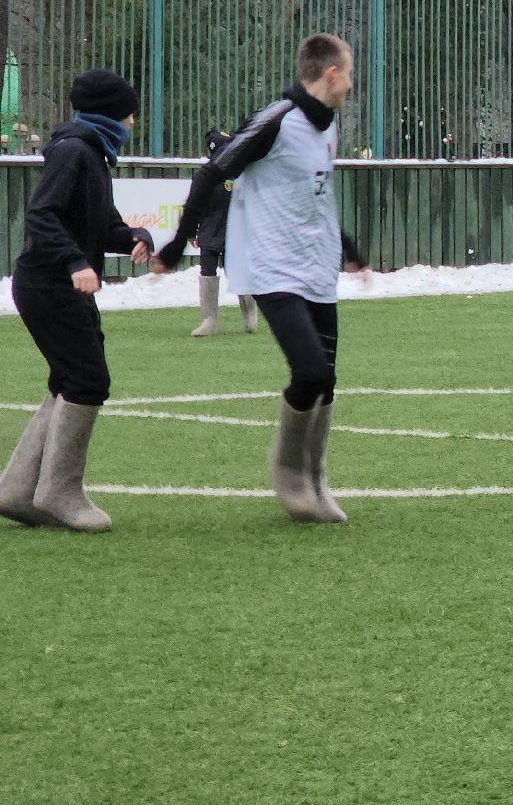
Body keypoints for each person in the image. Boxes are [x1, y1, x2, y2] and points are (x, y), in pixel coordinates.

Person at [156, 33, 366, 524]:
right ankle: (288, 471)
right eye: (349, 74)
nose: (352, 84)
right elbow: (212, 174)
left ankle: (317, 479)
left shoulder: (328, 127)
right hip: (271, 267)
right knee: (310, 372)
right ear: (331, 74)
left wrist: (349, 249)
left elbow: (319, 194)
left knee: (328, 380)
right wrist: (175, 244)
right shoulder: (276, 121)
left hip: (315, 263)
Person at [0, 70, 155, 533]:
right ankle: (59, 492)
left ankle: (16, 491)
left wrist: (132, 236)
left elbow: (101, 223)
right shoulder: (74, 152)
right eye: (128, 112)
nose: (131, 121)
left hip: (55, 284)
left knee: (67, 380)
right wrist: (74, 262)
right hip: (50, 284)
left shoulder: (92, 154)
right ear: (110, 113)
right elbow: (42, 215)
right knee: (88, 379)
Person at [187, 127, 259, 337]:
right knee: (207, 272)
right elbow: (194, 205)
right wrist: (192, 230)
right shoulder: (204, 177)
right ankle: (209, 320)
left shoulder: (241, 173)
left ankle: (249, 314)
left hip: (234, 234)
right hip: (209, 233)